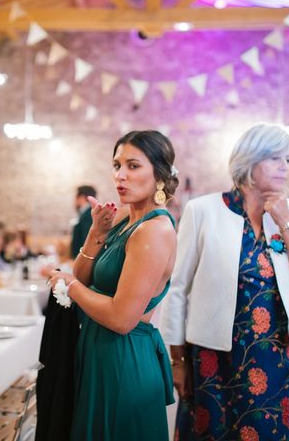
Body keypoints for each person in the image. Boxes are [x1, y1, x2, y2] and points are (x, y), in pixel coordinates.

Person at [161, 123, 289, 440]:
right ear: (250, 161)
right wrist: (177, 360)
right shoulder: (203, 211)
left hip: (279, 355)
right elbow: (178, 289)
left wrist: (286, 221)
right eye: (276, 158)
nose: (285, 167)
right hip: (215, 355)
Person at [46, 130, 178, 440]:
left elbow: (121, 319)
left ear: (158, 174)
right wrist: (96, 233)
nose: (121, 175)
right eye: (117, 165)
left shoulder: (153, 231)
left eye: (133, 166)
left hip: (123, 357)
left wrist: (70, 286)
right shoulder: (123, 218)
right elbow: (83, 275)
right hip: (97, 351)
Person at [70, 185, 96, 259]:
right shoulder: (85, 213)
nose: (74, 201)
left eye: (76, 198)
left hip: (83, 258)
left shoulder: (89, 214)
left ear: (81, 197)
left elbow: (86, 240)